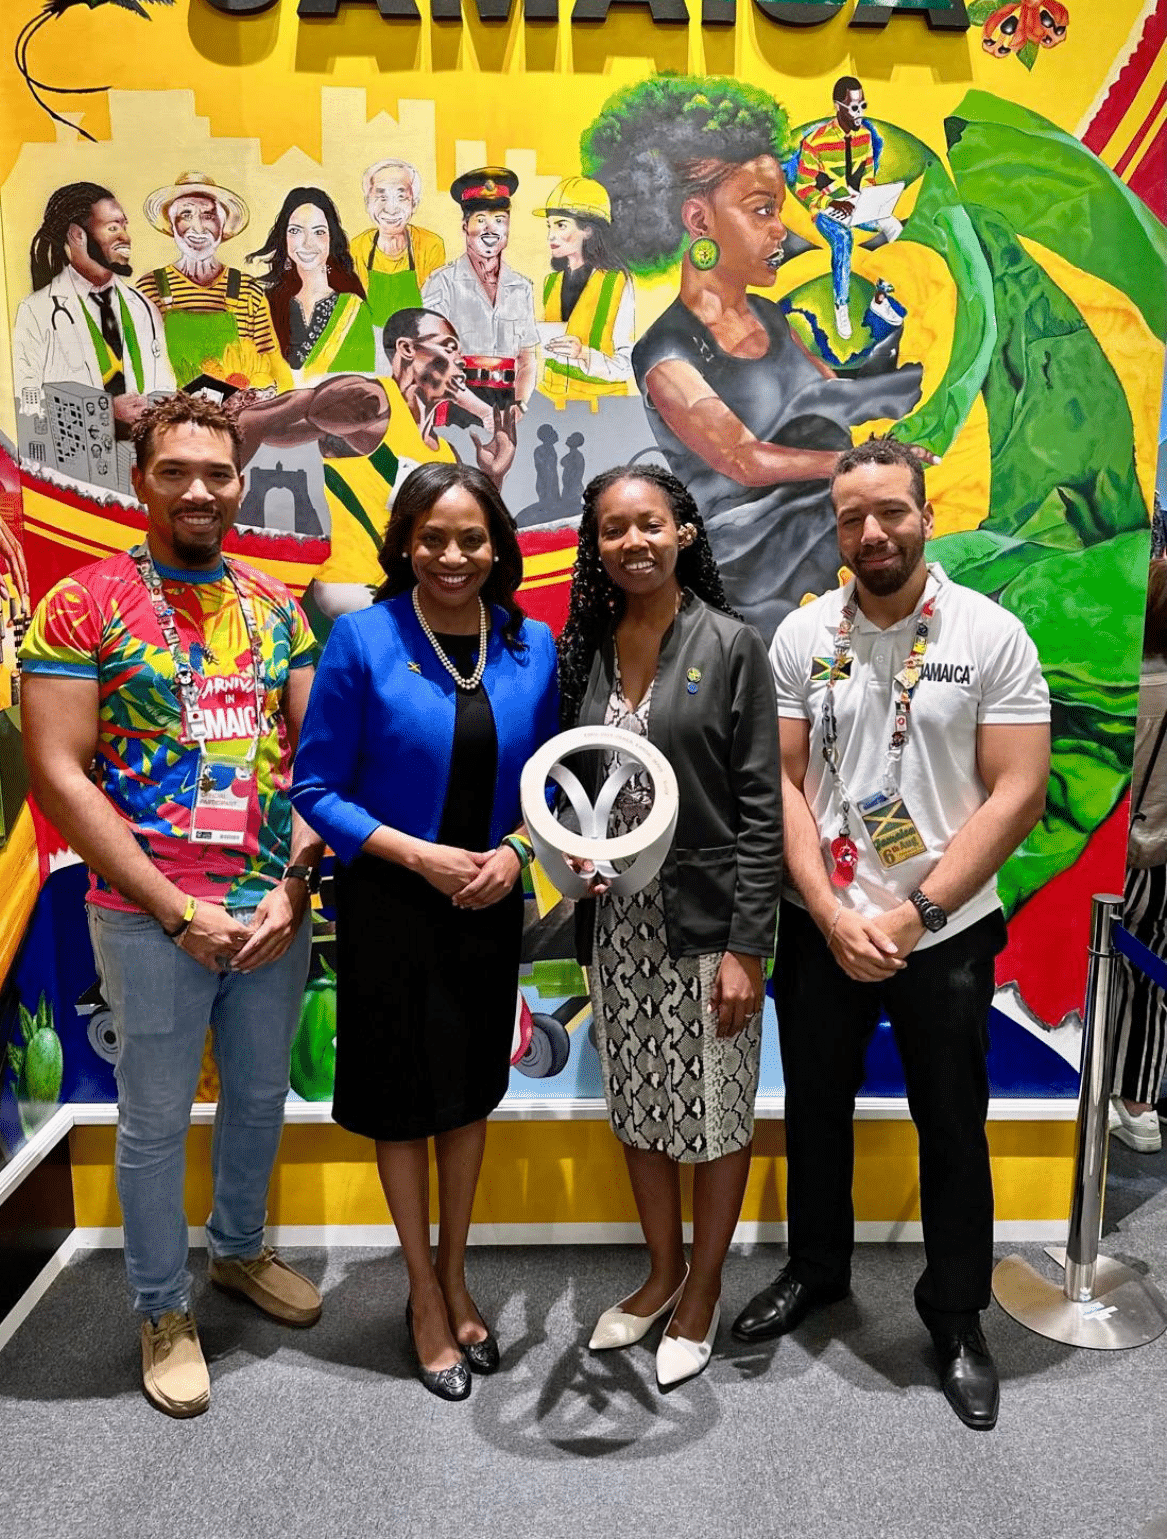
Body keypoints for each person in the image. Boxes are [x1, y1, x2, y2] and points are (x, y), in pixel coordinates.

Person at [732, 438, 1050, 1432]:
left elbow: (1019, 791)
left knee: (951, 1124)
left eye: (890, 513)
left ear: (926, 513)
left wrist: (913, 914)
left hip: (944, 932)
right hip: (823, 922)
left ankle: (956, 1317)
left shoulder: (992, 634)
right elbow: (782, 781)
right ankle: (819, 1271)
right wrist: (829, 914)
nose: (871, 533)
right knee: (816, 1109)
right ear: (836, 527)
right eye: (852, 517)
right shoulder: (801, 635)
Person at [18, 393, 324, 1419]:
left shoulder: (278, 605)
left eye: (218, 472)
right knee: (151, 1120)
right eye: (176, 471)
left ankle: (237, 1251)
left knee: (258, 1096)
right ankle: (161, 1307)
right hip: (146, 913)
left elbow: (315, 767)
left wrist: (293, 890)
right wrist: (177, 909)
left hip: (271, 909)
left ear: (241, 481)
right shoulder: (82, 603)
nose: (199, 489)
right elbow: (61, 773)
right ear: (141, 479)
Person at [290, 464, 558, 1401]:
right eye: (432, 537)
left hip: (487, 906)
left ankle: (456, 1271)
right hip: (391, 908)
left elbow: (556, 784)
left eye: (471, 538)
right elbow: (315, 790)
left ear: (498, 547)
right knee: (405, 1100)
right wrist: (421, 857)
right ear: (404, 542)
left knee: (467, 1095)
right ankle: (421, 1292)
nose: (452, 555)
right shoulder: (363, 638)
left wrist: (518, 855)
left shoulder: (534, 644)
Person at [557, 463, 780, 1389]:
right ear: (596, 544)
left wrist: (746, 948)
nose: (634, 542)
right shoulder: (591, 645)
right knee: (641, 1108)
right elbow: (576, 779)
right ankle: (658, 1275)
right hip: (617, 927)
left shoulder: (731, 643)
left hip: (705, 925)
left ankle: (703, 1292)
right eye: (615, 529)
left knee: (718, 1116)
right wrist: (571, 847)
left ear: (683, 530)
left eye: (650, 523)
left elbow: (764, 807)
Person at [582, 74, 926, 644]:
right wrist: (858, 467)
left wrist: (897, 349)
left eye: (781, 211)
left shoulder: (772, 315)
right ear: (698, 222)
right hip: (753, 572)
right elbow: (744, 460)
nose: (781, 231)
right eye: (763, 210)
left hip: (827, 536)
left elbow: (835, 399)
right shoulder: (665, 352)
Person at [231, 306, 517, 614]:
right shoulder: (373, 401)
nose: (459, 360)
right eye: (448, 347)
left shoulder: (446, 452)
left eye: (460, 353)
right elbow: (258, 422)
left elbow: (463, 528)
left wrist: (494, 475)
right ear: (407, 349)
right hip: (351, 591)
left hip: (406, 593)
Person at [12, 181, 174, 425]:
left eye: (124, 226)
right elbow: (27, 404)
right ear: (77, 235)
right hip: (74, 457)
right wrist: (104, 411)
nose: (125, 237)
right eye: (112, 228)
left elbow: (165, 387)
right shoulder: (36, 311)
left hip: (144, 454)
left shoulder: (143, 307)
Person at [137, 172, 290, 393]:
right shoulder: (150, 288)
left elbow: (273, 364)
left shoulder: (248, 290)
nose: (198, 228)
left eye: (208, 216)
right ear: (171, 225)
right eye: (186, 215)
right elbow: (139, 368)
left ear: (223, 226)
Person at [1111, 554, 1167, 1152]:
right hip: (1160, 856)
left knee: (1111, 969)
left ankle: (1102, 1083)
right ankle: (1140, 1101)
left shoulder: (1128, 684)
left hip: (1120, 856)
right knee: (1152, 983)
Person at [792, 76, 904, 342]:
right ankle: (841, 305)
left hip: (857, 203)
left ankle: (880, 297)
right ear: (838, 107)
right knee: (843, 239)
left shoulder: (864, 136)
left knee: (895, 227)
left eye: (863, 105)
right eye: (855, 107)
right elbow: (804, 187)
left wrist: (867, 195)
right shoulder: (815, 142)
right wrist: (831, 202)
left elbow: (866, 174)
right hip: (825, 209)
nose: (860, 113)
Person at [423, 166, 538, 414]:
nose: (490, 229)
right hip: (456, 401)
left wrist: (520, 404)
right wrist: (478, 410)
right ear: (465, 225)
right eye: (481, 220)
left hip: (508, 402)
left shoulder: (521, 288)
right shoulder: (442, 283)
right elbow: (432, 359)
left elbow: (527, 360)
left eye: (499, 220)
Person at [248, 186, 373, 380]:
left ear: (331, 239)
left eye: (319, 232)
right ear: (285, 238)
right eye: (296, 231)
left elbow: (361, 385)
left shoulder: (354, 309)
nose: (307, 243)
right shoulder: (265, 303)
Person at [533, 176, 635, 406]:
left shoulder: (616, 282)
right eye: (549, 226)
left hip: (601, 407)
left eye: (561, 225)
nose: (551, 235)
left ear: (588, 229)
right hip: (551, 403)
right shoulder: (551, 282)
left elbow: (627, 362)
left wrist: (584, 354)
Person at [349, 158, 446, 331]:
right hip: (373, 342)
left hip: (417, 341)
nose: (391, 209)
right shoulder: (357, 248)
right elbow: (356, 313)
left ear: (414, 204)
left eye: (401, 197)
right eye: (381, 197)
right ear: (367, 203)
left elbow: (434, 310)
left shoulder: (430, 245)